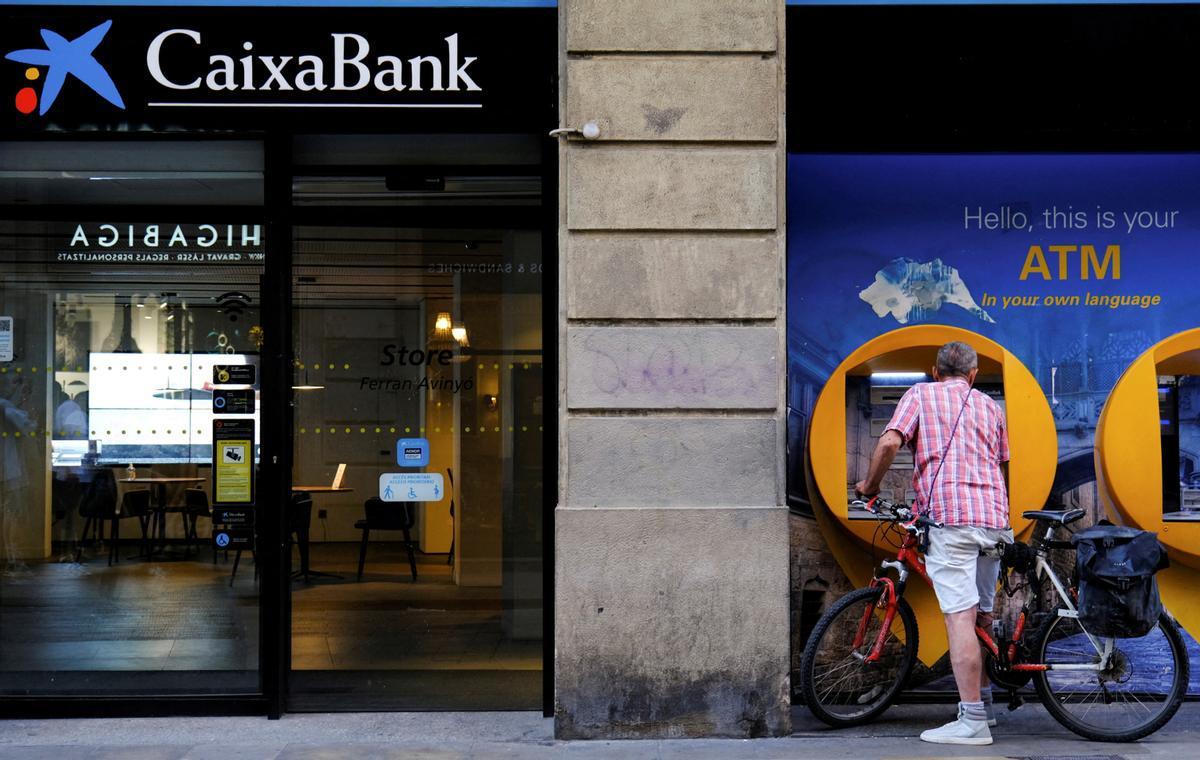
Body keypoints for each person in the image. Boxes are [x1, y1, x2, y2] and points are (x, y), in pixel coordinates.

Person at [854, 341, 1012, 746]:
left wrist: (868, 487)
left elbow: (889, 442)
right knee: (981, 615)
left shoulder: (920, 394)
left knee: (958, 619)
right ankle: (988, 702)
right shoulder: (991, 407)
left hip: (951, 522)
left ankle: (973, 720)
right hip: (994, 522)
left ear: (934, 369)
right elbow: (1001, 463)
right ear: (973, 374)